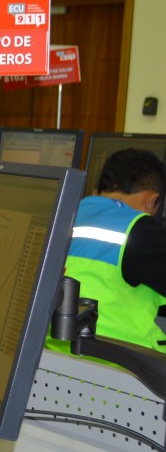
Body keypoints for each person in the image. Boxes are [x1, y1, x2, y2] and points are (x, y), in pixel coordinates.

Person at [48, 147, 166, 353]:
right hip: (116, 363)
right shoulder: (139, 230)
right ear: (152, 201)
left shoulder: (63, 214)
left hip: (53, 354)